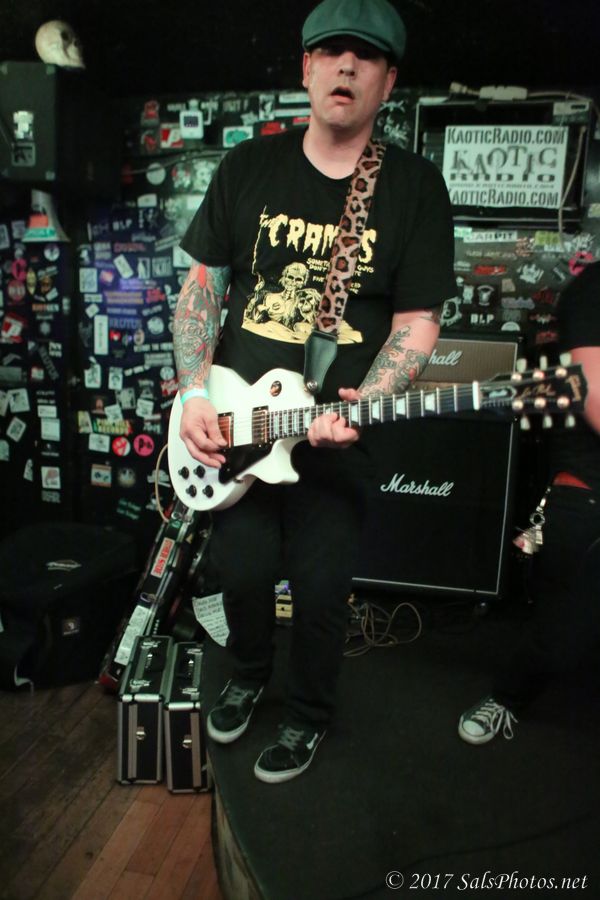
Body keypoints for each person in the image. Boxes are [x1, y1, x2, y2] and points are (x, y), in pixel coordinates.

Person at [173, 0, 456, 783]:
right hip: (236, 422)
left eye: (366, 56)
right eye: (331, 50)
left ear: (388, 81)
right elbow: (203, 287)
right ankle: (248, 673)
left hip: (333, 432)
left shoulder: (412, 187)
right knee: (241, 574)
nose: (347, 65)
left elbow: (417, 322)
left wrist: (367, 402)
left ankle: (307, 715)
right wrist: (194, 392)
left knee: (324, 589)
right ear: (306, 67)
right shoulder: (248, 168)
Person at [459, 261, 600, 745]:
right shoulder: (593, 289)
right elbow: (593, 394)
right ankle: (509, 695)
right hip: (589, 488)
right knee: (562, 638)